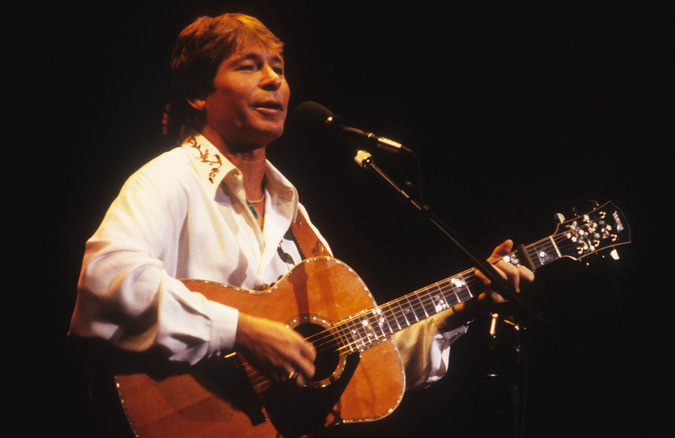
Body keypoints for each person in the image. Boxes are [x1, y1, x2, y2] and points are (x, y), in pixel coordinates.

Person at [68, 11, 534, 431]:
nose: (274, 80)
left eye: (279, 68)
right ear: (197, 94)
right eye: (249, 66)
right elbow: (107, 279)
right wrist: (241, 331)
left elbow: (367, 359)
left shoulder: (294, 214)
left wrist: (460, 309)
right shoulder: (168, 180)